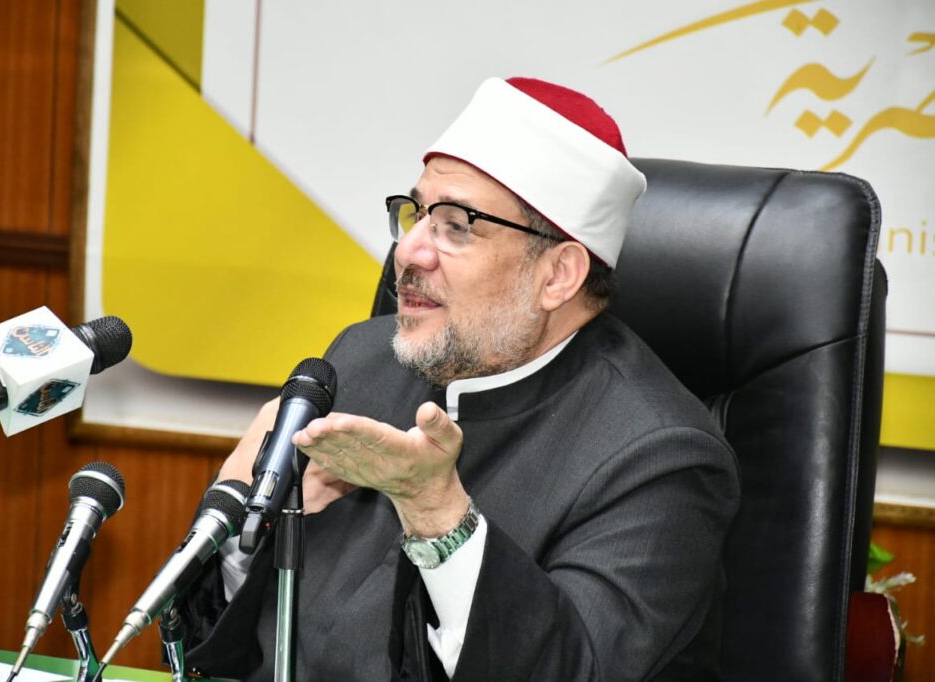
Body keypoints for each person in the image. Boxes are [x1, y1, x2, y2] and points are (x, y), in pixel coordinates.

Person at [180, 77, 740, 681]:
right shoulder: (362, 358)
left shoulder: (662, 459)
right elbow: (221, 647)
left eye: (457, 226)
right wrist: (245, 527)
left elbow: (577, 671)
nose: (409, 252)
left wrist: (438, 513)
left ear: (558, 275)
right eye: (417, 214)